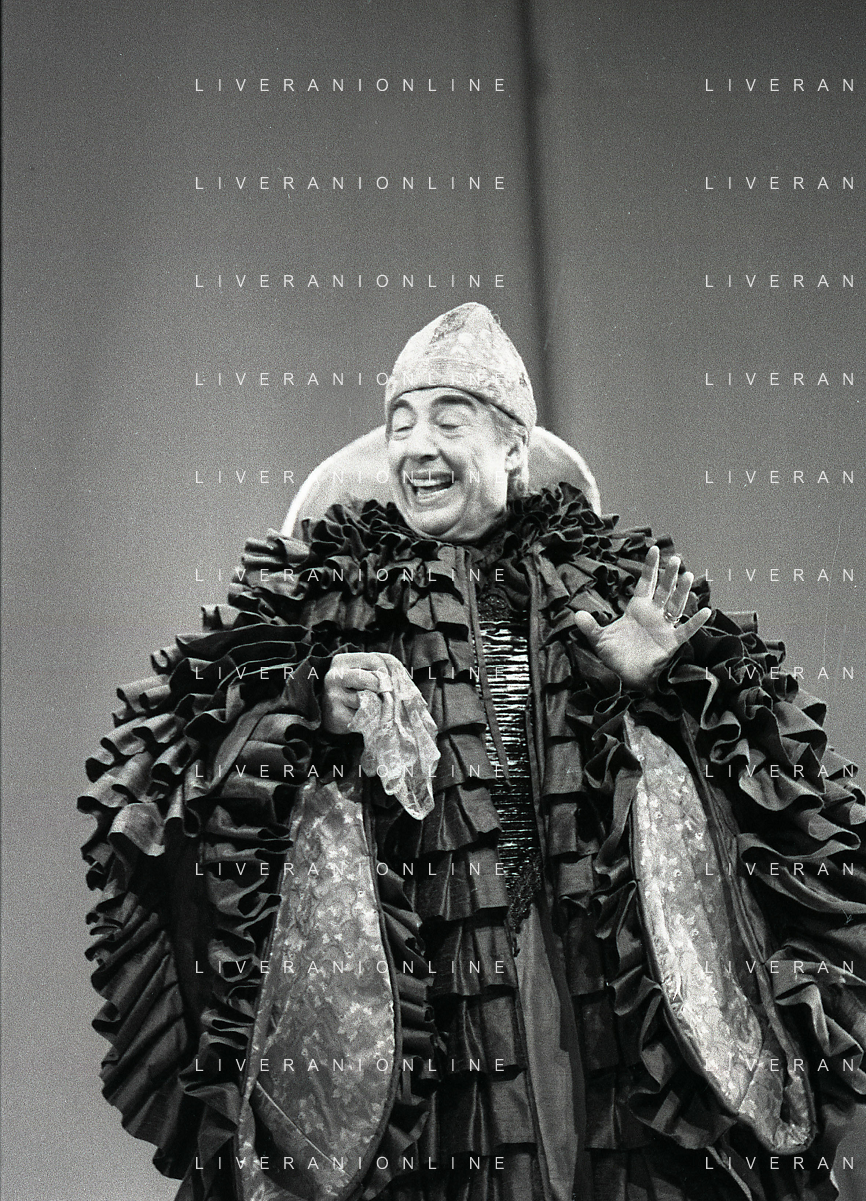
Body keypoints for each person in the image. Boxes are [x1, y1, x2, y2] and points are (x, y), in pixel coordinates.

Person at [81, 304, 865, 1201]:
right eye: (401, 424)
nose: (418, 447)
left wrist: (653, 693)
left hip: (589, 996)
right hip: (426, 1003)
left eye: (448, 421)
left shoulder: (607, 582)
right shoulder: (331, 591)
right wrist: (309, 706)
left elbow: (777, 793)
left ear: (512, 446)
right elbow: (184, 765)